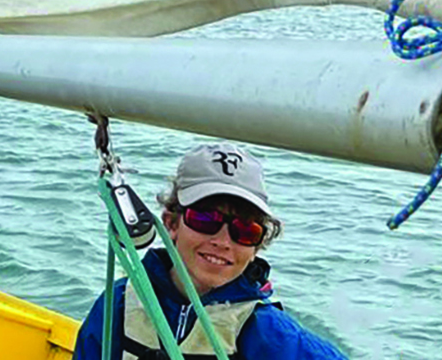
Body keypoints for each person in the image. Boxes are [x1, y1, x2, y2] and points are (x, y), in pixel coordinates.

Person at [72, 143, 347, 360]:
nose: (223, 241)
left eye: (244, 231)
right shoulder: (119, 304)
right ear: (171, 222)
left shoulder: (265, 331)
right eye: (206, 220)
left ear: (257, 246)